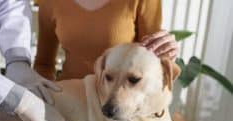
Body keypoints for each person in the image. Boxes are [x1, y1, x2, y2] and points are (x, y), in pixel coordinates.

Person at [34, 0, 178, 81]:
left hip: (119, 106)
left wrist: (167, 53)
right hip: (70, 103)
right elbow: (43, 65)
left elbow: (153, 60)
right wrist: (47, 103)